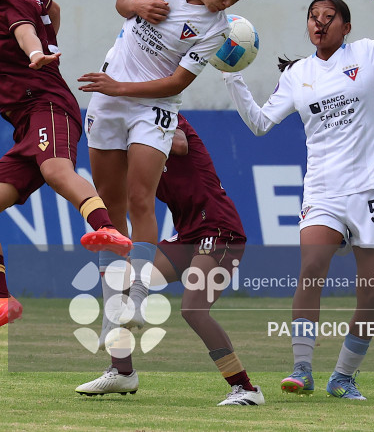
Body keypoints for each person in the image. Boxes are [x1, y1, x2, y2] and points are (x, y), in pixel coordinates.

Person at [222, 0, 374, 400]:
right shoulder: (298, 74)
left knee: (371, 292)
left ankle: (344, 377)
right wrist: (232, 76)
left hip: (373, 188)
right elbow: (260, 123)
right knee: (311, 268)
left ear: (346, 26)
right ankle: (302, 369)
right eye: (313, 17)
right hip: (323, 191)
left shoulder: (371, 55)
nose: (319, 24)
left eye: (328, 17)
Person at [74, 0, 266, 386]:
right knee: (108, 212)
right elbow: (120, 2)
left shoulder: (216, 29)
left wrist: (119, 88)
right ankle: (119, 353)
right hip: (108, 100)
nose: (228, 5)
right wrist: (137, 6)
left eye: (236, 1)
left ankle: (138, 299)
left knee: (140, 198)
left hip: (152, 106)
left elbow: (177, 82)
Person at [0, 0, 132, 341]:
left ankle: (108, 229)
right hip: (25, 129)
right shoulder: (16, 2)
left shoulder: (12, 6)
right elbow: (51, 9)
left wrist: (37, 52)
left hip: (47, 106)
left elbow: (25, 31)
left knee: (56, 170)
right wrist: (47, 37)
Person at [75, 114, 264, 406]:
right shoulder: (133, 147)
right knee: (123, 279)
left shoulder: (162, 115)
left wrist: (131, 133)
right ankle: (121, 371)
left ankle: (246, 388)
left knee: (194, 310)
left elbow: (180, 144)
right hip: (188, 235)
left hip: (218, 230)